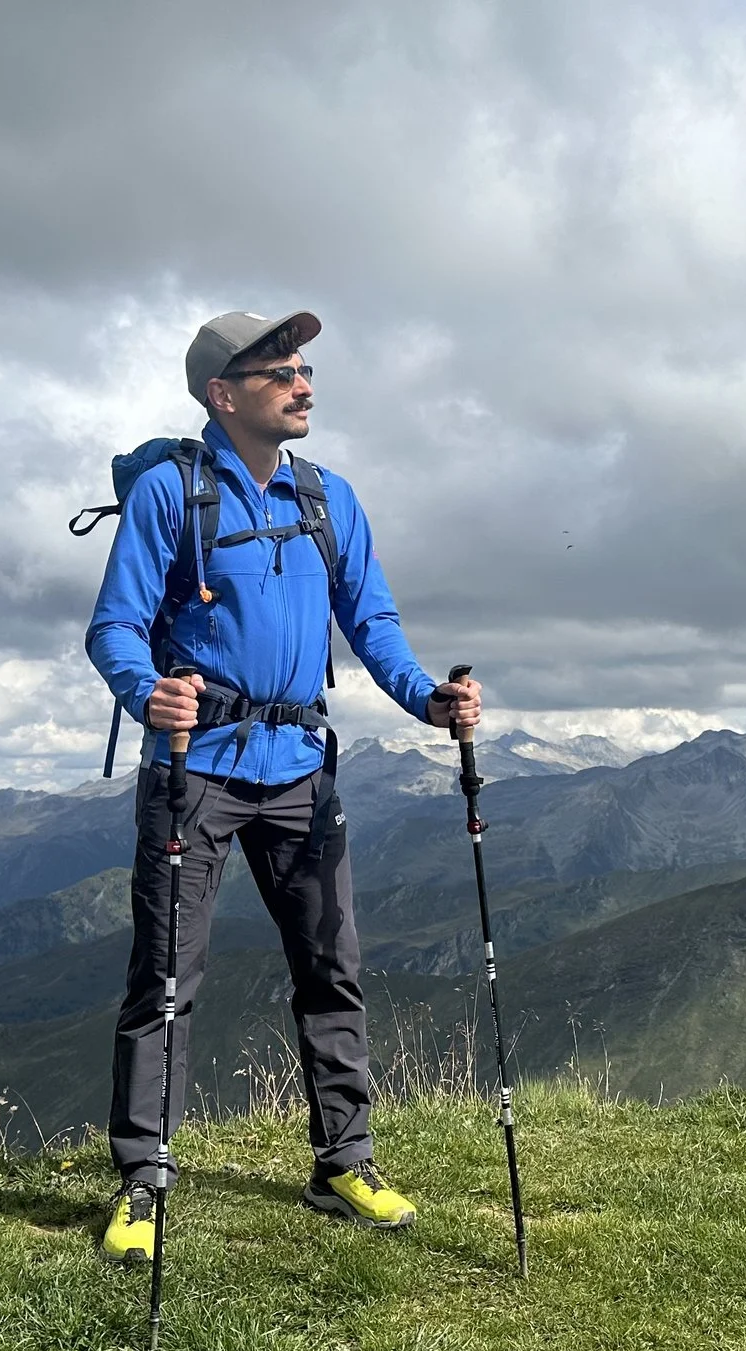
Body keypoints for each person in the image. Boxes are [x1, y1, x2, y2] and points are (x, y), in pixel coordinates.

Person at [83, 309, 482, 1262]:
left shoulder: (330, 497)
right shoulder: (170, 497)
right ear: (224, 394)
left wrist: (427, 699)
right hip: (195, 774)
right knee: (166, 980)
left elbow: (371, 622)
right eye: (279, 372)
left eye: (305, 368)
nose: (303, 384)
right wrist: (151, 696)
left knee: (330, 969)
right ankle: (145, 1184)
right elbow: (114, 628)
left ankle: (344, 1164)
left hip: (302, 771)